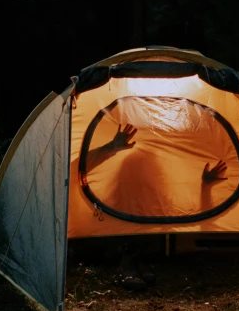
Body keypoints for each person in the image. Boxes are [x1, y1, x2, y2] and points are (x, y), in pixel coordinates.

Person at [86, 123, 228, 291]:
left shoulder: (162, 203)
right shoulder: (107, 208)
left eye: (147, 173)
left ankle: (137, 260)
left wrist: (206, 186)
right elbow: (75, 170)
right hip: (113, 246)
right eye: (137, 174)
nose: (143, 182)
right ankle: (130, 262)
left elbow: (196, 216)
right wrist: (111, 147)